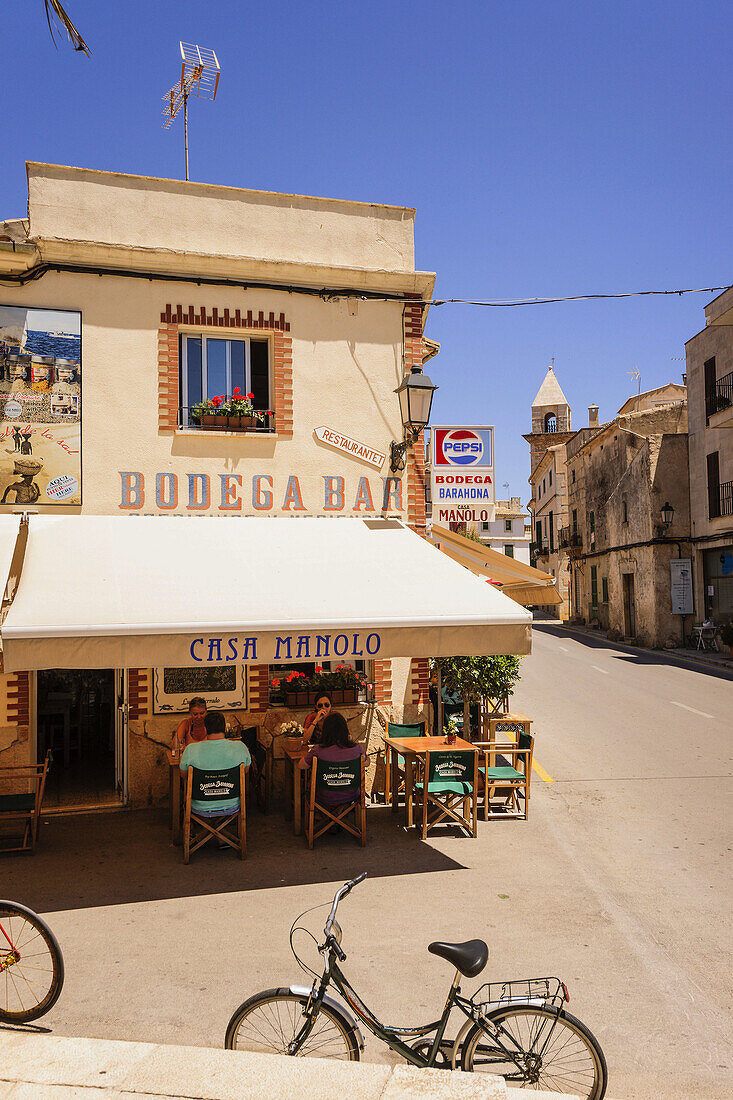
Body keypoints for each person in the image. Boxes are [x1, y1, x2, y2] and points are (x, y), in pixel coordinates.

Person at [179, 710, 250, 818]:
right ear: (225, 729)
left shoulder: (191, 749)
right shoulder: (240, 747)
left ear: (205, 729)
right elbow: (245, 771)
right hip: (231, 805)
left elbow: (184, 775)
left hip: (200, 806)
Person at [300, 712, 366, 805]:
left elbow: (301, 765)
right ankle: (339, 816)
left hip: (323, 796)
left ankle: (323, 816)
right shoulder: (357, 748)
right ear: (345, 729)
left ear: (325, 731)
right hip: (351, 795)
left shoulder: (317, 750)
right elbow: (366, 762)